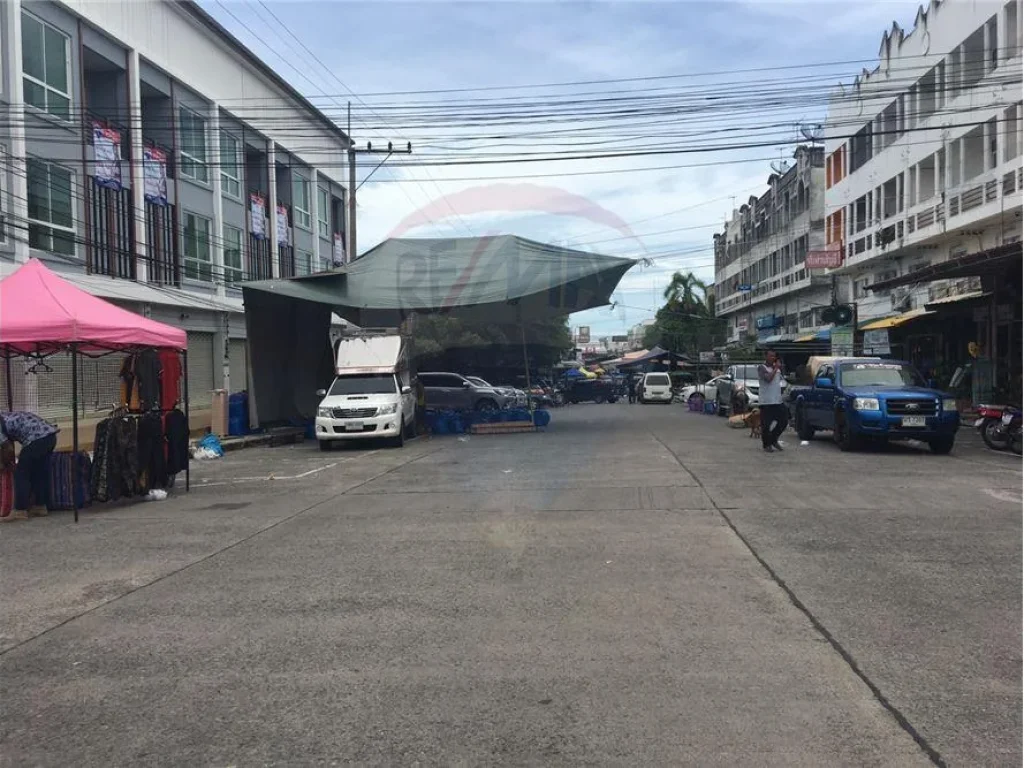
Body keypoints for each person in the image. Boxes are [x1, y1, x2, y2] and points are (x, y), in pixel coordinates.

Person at [0, 411, 59, 520]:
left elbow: (7, 448)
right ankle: (40, 506)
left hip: (36, 439)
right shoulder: (5, 416)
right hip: (50, 437)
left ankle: (20, 510)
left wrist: (5, 464)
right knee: (38, 472)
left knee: (21, 473)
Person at [757, 350, 788, 453]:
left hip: (777, 401)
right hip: (766, 402)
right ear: (765, 356)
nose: (772, 358)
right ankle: (767, 445)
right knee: (766, 425)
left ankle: (773, 439)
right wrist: (776, 368)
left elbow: (780, 382)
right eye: (770, 356)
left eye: (774, 356)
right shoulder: (762, 368)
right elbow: (768, 379)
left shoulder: (777, 369)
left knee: (784, 420)